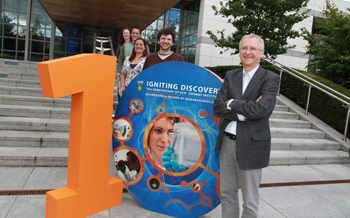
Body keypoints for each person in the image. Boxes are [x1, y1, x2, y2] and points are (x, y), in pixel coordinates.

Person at [213, 34, 280, 218]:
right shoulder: (231, 75)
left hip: (252, 145)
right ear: (239, 51)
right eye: (244, 48)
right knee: (227, 193)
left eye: (253, 48)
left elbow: (261, 108)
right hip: (227, 143)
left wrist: (232, 102)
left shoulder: (270, 78)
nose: (247, 52)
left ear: (261, 53)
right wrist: (244, 114)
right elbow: (217, 106)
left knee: (250, 201)